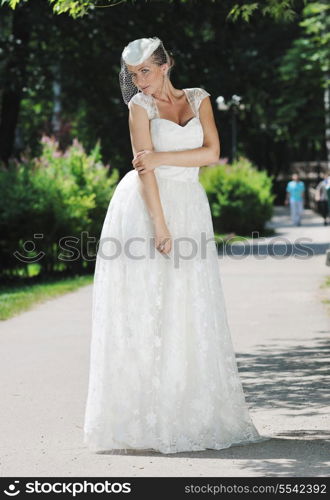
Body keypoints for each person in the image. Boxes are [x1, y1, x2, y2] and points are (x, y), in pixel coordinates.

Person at [83, 36, 270, 454]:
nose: (139, 82)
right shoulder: (138, 108)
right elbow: (142, 171)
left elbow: (212, 152)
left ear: (166, 65)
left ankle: (187, 410)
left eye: (145, 72)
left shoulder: (200, 99)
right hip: (147, 209)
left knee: (189, 303)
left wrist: (161, 158)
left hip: (191, 205)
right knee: (147, 305)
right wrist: (160, 226)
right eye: (133, 76)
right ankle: (142, 419)